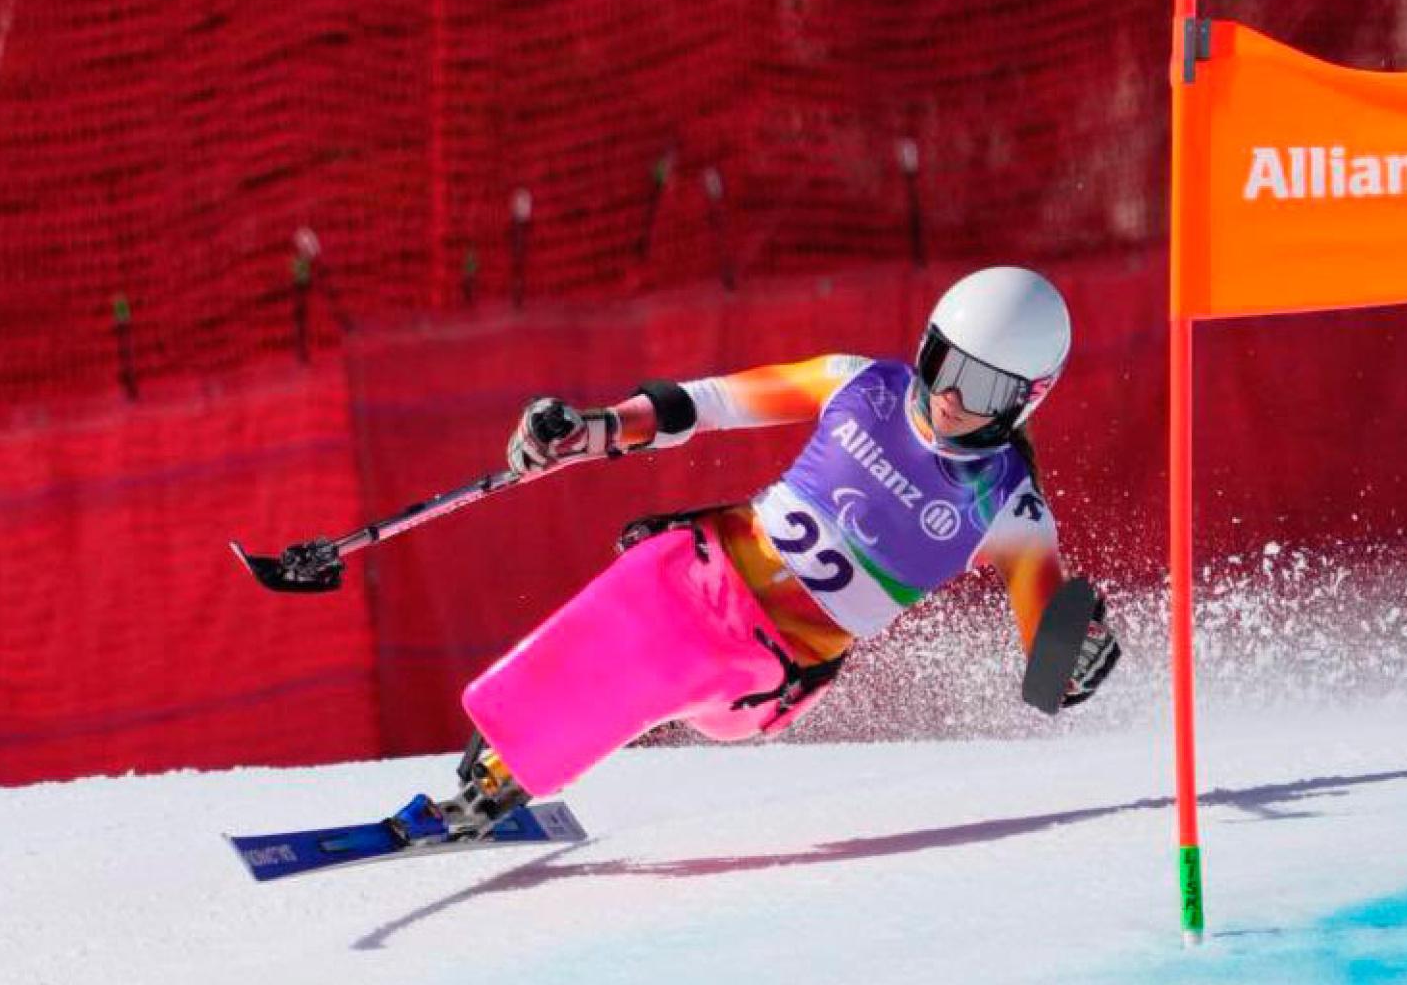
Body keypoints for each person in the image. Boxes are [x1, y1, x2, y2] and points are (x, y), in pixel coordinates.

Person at [440, 266, 1121, 834]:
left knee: (681, 647)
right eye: (944, 363)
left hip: (773, 663)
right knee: (650, 572)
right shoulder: (861, 385)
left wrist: (1075, 657)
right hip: (700, 569)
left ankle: (508, 774)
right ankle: (502, 751)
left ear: (1028, 399)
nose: (950, 397)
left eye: (983, 388)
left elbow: (1047, 668)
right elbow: (710, 403)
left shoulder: (1009, 507)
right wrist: (594, 429)